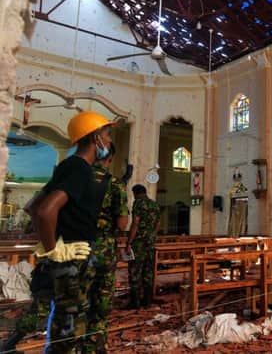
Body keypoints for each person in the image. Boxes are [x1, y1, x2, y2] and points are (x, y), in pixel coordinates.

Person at [1, 111, 113, 353]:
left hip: (70, 255)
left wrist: (52, 241)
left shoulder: (68, 166)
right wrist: (54, 249)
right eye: (107, 134)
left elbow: (32, 206)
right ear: (96, 138)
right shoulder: (80, 169)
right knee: (69, 331)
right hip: (73, 257)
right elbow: (44, 211)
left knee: (68, 324)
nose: (110, 141)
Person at [86, 143, 129, 353]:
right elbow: (122, 224)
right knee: (100, 303)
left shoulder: (72, 177)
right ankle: (96, 345)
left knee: (72, 302)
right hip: (102, 250)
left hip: (72, 248)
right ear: (109, 159)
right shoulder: (114, 184)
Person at [126, 184, 160, 308]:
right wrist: (151, 237)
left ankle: (135, 302)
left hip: (138, 243)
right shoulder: (154, 204)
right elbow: (158, 224)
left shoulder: (138, 203)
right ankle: (147, 300)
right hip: (150, 243)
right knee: (148, 271)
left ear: (135, 193)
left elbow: (135, 223)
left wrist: (129, 242)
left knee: (135, 271)